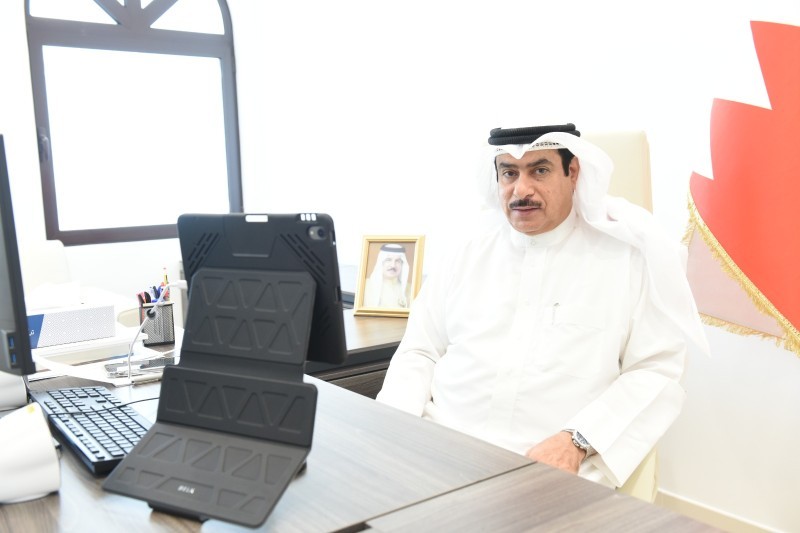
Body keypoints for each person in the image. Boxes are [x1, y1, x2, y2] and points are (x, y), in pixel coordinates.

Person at [376, 123, 708, 489]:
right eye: (509, 173)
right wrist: (394, 432)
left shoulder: (628, 260)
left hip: (551, 470)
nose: (521, 190)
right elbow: (420, 350)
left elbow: (655, 370)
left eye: (540, 171)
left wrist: (576, 442)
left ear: (573, 172)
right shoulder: (466, 251)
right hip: (438, 449)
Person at [362, 243, 411, 308]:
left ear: (402, 264)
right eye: (388, 260)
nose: (393, 265)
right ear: (381, 262)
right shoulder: (364, 285)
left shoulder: (410, 289)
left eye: (397, 261)